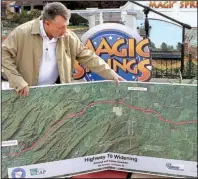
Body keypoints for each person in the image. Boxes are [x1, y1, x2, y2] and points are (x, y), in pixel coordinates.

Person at [2, 2, 125, 97]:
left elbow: (89, 57)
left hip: (56, 94)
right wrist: (17, 81)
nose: (65, 31)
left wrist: (111, 74)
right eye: (61, 27)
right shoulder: (22, 32)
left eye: (66, 26)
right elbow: (3, 54)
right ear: (47, 23)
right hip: (25, 94)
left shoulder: (68, 36)